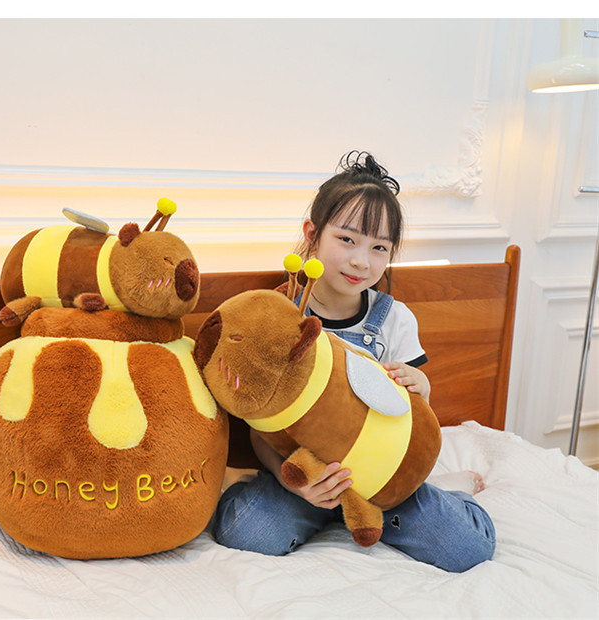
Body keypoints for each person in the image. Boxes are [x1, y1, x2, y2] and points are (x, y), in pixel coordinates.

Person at [212, 150, 495, 572]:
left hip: (380, 483)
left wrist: (421, 388)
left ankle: (451, 492)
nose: (362, 261)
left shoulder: (394, 319)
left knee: (467, 548)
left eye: (379, 247)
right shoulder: (278, 317)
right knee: (246, 532)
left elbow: (413, 423)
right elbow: (261, 430)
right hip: (305, 479)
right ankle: (242, 480)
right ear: (313, 235)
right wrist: (299, 484)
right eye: (346, 240)